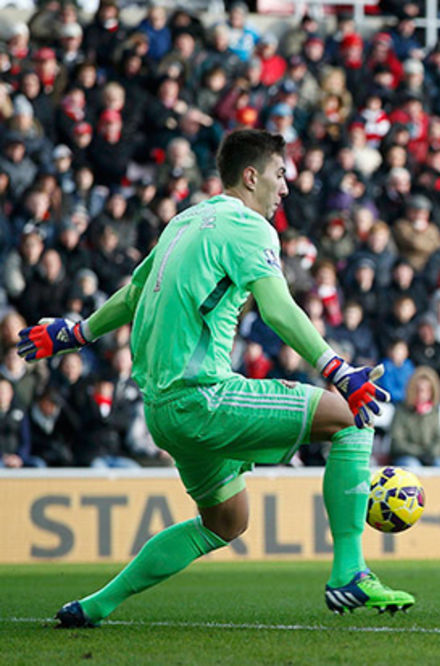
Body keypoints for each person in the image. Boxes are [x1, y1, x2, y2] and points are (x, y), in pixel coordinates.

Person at [17, 130, 412, 627]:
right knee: (352, 417)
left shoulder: (183, 222)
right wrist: (337, 368)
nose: (285, 188)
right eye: (279, 175)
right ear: (251, 177)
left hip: (162, 411)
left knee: (226, 522)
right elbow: (276, 308)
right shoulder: (249, 227)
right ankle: (349, 575)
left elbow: (134, 294)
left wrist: (78, 331)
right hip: (203, 398)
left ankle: (96, 606)